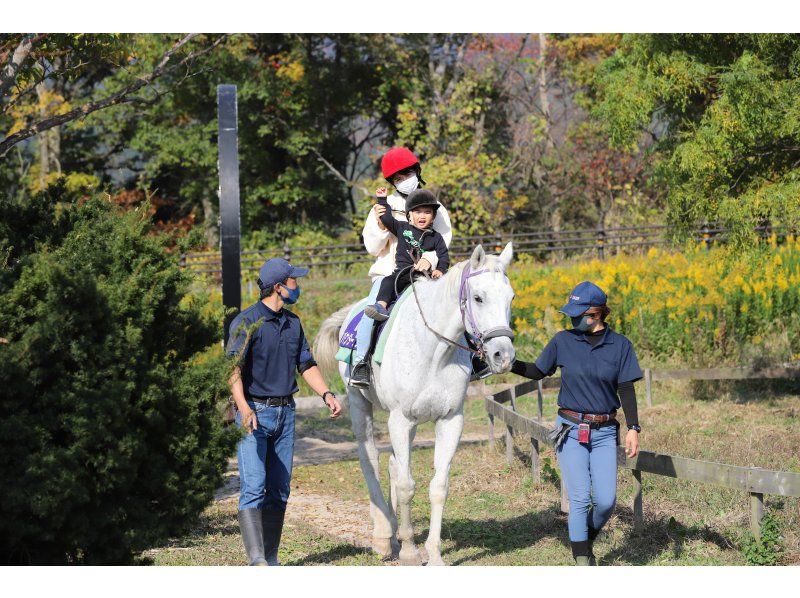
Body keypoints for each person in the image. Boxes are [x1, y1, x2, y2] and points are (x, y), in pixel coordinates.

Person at [509, 281, 643, 566]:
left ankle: (584, 539)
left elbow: (626, 388)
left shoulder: (620, 346)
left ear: (596, 314)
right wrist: (509, 363)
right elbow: (537, 371)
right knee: (580, 498)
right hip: (569, 429)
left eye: (578, 313)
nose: (572, 318)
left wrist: (633, 427)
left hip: (606, 431)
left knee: (606, 501)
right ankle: (583, 562)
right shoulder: (562, 341)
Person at [226, 258, 343, 566]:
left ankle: (271, 558)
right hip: (253, 415)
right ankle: (257, 562)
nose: (298, 286)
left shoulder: (293, 323)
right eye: (294, 282)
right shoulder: (246, 322)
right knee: (253, 486)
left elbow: (306, 364)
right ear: (279, 287)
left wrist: (326, 393)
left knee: (279, 490)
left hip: (285, 415)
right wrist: (243, 407)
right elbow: (232, 370)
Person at [349, 147, 452, 388]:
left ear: (417, 171)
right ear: (392, 182)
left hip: (426, 272)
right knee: (372, 309)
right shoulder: (385, 206)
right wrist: (378, 224)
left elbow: (443, 241)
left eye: (407, 174)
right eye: (398, 178)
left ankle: (472, 358)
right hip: (390, 272)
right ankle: (361, 362)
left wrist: (431, 260)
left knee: (455, 305)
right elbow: (372, 247)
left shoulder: (434, 205)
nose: (404, 180)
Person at [363, 187, 449, 322]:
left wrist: (440, 269)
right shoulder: (403, 228)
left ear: (433, 216)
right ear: (409, 215)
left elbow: (443, 256)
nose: (422, 216)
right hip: (402, 274)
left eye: (427, 212)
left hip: (425, 276)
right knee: (388, 281)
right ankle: (380, 306)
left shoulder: (436, 237)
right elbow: (387, 219)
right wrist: (382, 200)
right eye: (417, 212)